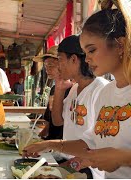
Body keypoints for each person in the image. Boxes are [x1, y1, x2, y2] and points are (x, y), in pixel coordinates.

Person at [23, 0, 131, 178]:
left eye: (92, 50)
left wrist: (122, 157)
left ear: (120, 45)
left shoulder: (99, 89)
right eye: (85, 52)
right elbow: (91, 143)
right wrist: (48, 144)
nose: (86, 59)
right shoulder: (107, 93)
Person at [54, 35, 108, 178]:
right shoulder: (73, 89)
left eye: (60, 59)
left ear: (73, 59)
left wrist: (68, 167)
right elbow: (58, 121)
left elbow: (101, 144)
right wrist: (59, 89)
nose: (58, 66)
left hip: (88, 170)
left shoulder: (101, 89)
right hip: (66, 161)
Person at [32, 46, 64, 140]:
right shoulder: (54, 88)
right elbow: (50, 121)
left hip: (63, 142)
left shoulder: (72, 89)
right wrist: (39, 137)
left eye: (50, 66)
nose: (47, 70)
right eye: (46, 67)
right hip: (52, 141)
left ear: (62, 64)